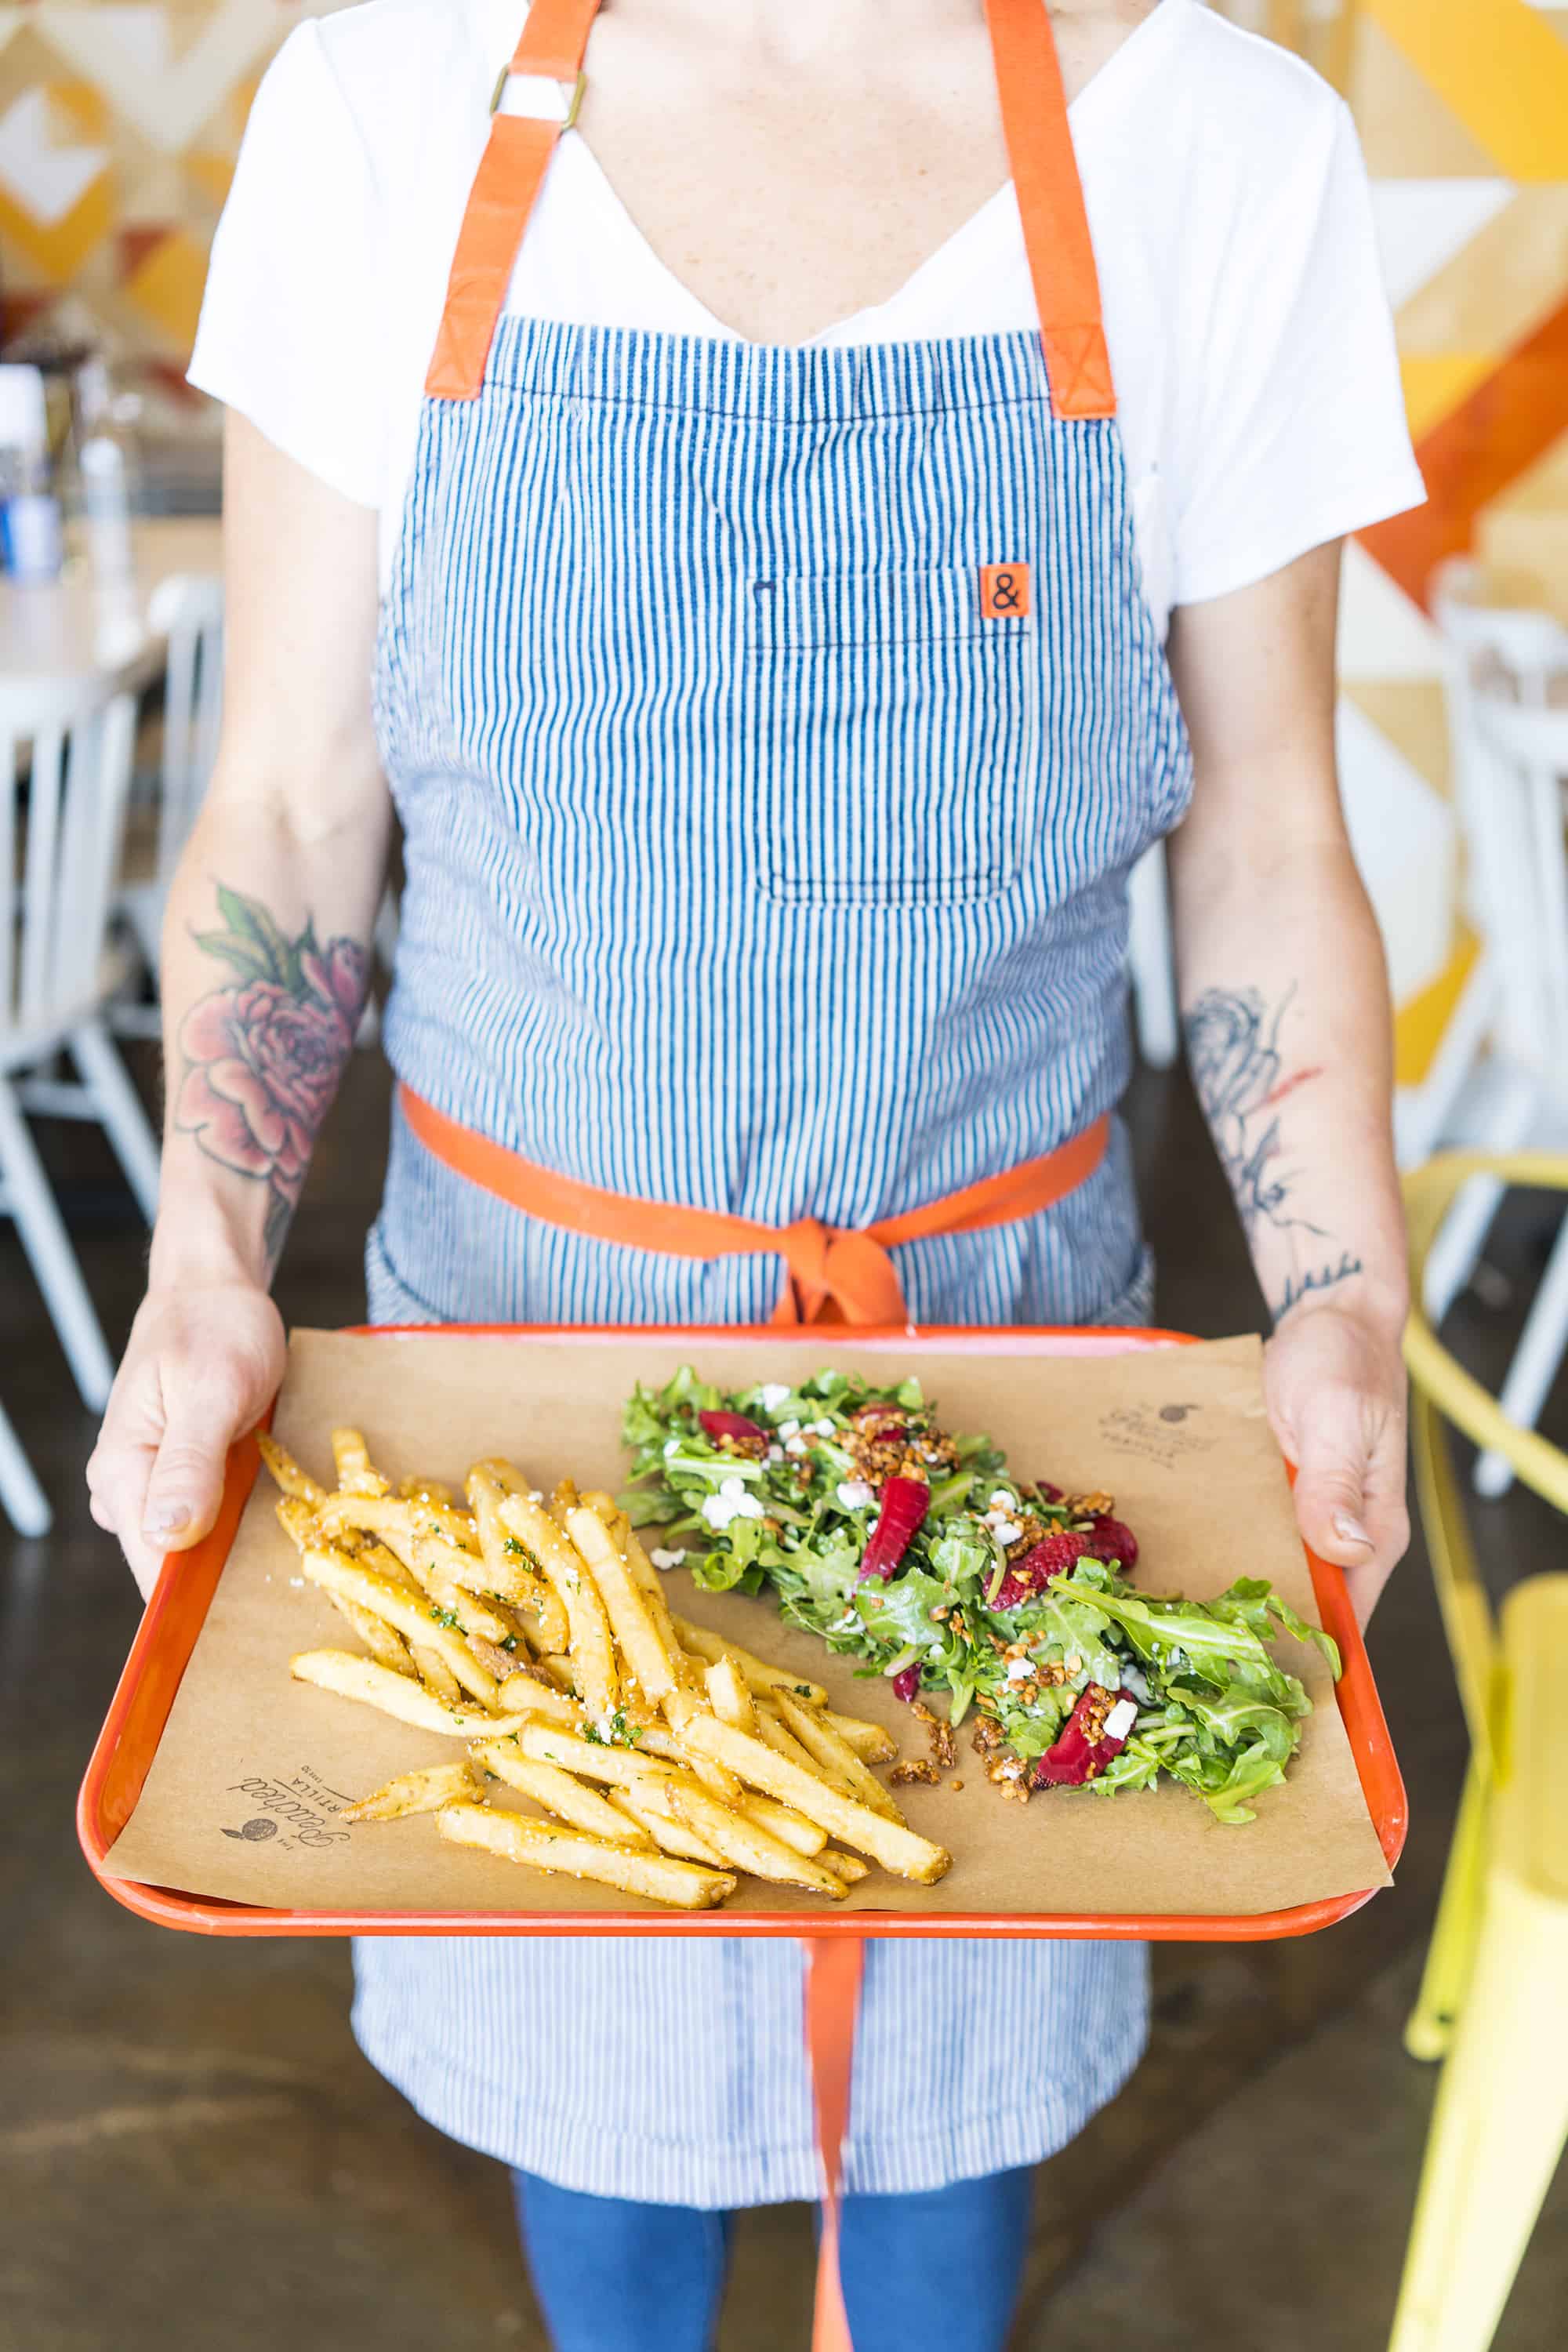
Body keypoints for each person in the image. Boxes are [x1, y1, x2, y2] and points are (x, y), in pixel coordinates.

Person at [88, 2, 1423, 2346]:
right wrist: (205, 1261)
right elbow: (289, 811)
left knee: (949, 2091)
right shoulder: (379, 110)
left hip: (1003, 1391)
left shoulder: (1227, 147)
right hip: (505, 1408)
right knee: (583, 2067)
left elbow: (1274, 836)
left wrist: (1343, 1302)